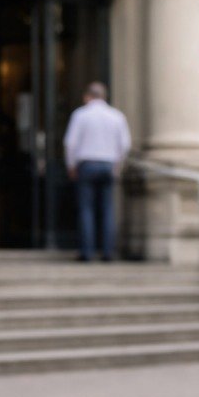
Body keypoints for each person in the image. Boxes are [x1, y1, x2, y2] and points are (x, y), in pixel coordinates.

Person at [63, 82, 131, 262]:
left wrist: (71, 166)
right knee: (108, 209)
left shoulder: (80, 115)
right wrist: (118, 165)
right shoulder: (117, 116)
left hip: (87, 165)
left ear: (88, 96)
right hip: (108, 165)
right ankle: (108, 252)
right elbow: (125, 145)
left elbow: (70, 143)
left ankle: (87, 252)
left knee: (86, 209)